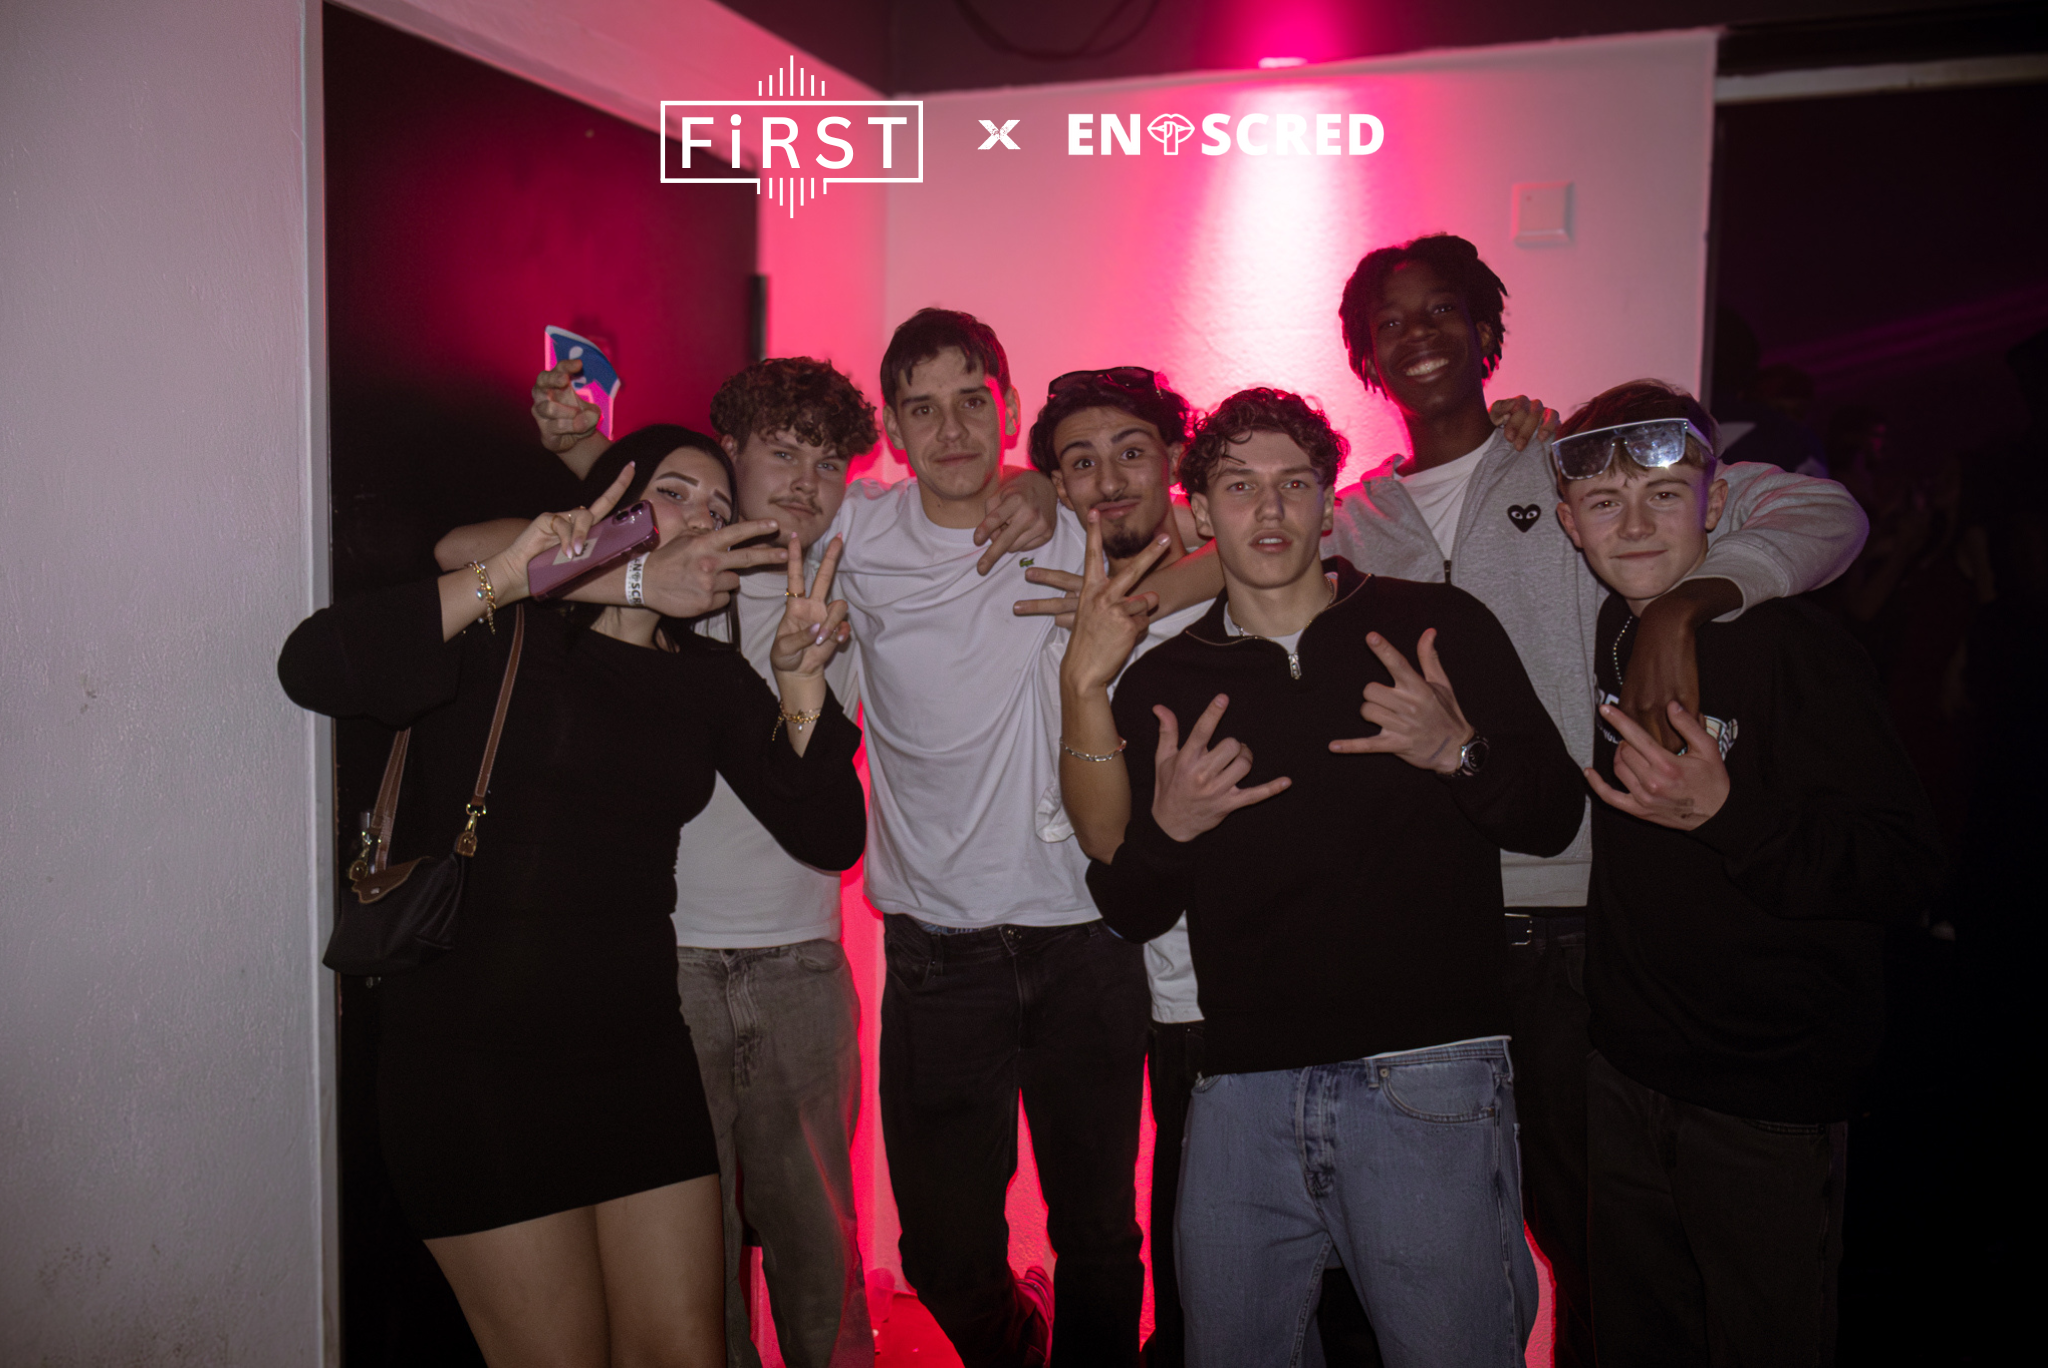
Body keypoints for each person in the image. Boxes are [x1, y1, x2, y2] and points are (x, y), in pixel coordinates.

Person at [435, 355, 1059, 1368]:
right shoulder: (659, 558)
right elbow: (469, 550)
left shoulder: (855, 555)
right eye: (782, 455)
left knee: (820, 1257)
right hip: (664, 965)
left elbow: (975, 489)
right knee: (694, 1258)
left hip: (803, 963)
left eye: (828, 462)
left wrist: (1033, 486)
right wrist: (614, 522)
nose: (807, 481)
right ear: (731, 459)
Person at [1325, 233, 1870, 1365]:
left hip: (1578, 919)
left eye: (1444, 311)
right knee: (1460, 1223)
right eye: (1392, 321)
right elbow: (1237, 551)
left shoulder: (1569, 461)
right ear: (1366, 357)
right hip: (1429, 929)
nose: (1419, 335)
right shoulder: (1351, 518)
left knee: (1601, 1240)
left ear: (1487, 331)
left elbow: (1824, 515)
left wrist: (1687, 605)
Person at [278, 431, 869, 1368]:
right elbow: (313, 665)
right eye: (674, 492)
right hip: (476, 1060)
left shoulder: (705, 675)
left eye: (719, 508)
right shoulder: (506, 628)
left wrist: (801, 685)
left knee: (684, 1351)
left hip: (640, 1056)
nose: (701, 518)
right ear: (615, 508)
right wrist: (554, 575)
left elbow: (829, 833)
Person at [1075, 387, 1584, 1365]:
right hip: (1239, 1095)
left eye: (1293, 484)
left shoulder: (1433, 627)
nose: (1268, 510)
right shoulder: (1163, 686)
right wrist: (1169, 832)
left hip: (1429, 1075)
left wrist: (1459, 754)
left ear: (1326, 504)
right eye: (1239, 487)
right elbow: (1128, 909)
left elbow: (1554, 814)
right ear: (1199, 513)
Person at [1550, 380, 1944, 1365]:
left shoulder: (1794, 644)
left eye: (1663, 495)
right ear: (1569, 523)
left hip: (1767, 1095)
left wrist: (1730, 817)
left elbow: (1904, 865)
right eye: (1604, 502)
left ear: (1714, 504)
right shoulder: (1600, 631)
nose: (1633, 525)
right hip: (1626, 1070)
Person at [843, 311, 1150, 1368]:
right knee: (940, 1256)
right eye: (921, 409)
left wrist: (1040, 487)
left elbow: (1227, 543)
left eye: (972, 400)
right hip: (939, 954)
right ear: (891, 431)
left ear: (1008, 410)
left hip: (1084, 938)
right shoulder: (858, 538)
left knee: (1098, 1234)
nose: (951, 430)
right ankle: (1022, 1344)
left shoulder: (1076, 517)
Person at [1021, 365, 1200, 1368]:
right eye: (1079, 462)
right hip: (1124, 966)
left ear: (1174, 461)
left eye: (1131, 451)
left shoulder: (1249, 562)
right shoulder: (1044, 575)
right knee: (1133, 1235)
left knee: (1212, 1270)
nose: (1109, 479)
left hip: (1244, 985)